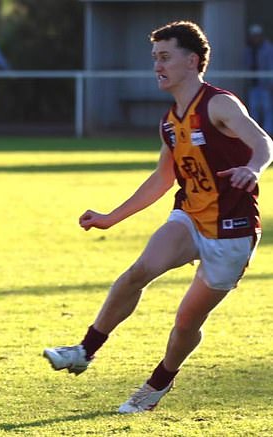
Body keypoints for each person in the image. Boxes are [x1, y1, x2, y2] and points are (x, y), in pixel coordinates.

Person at [43, 21, 273, 413]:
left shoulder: (219, 104)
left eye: (165, 57)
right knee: (137, 272)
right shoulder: (169, 121)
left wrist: (253, 168)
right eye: (154, 58)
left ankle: (157, 384)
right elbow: (163, 179)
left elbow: (263, 141)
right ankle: (84, 350)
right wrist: (110, 218)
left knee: (186, 323)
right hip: (189, 218)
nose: (157, 66)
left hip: (230, 234)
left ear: (193, 61)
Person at [244, 24, 273, 135]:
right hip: (253, 85)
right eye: (253, 36)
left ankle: (268, 133)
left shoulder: (269, 49)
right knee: (254, 109)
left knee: (267, 109)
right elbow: (247, 65)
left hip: (265, 84)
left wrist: (271, 82)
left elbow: (271, 66)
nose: (255, 38)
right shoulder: (248, 50)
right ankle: (255, 133)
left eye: (257, 36)